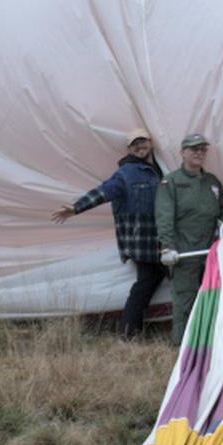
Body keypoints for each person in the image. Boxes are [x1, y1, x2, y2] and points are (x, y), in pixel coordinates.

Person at [51, 128, 166, 339]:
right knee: (146, 283)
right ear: (130, 149)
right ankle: (128, 331)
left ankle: (132, 329)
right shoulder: (126, 174)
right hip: (141, 241)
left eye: (143, 142)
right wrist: (76, 208)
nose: (140, 146)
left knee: (152, 281)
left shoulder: (159, 170)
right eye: (135, 144)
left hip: (162, 239)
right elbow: (103, 192)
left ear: (151, 143)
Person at [156, 133, 223, 344]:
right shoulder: (171, 182)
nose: (199, 153)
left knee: (211, 298)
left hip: (210, 252)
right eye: (193, 149)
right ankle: (181, 347)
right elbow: (164, 217)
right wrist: (167, 247)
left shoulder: (211, 181)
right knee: (185, 301)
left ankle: (208, 345)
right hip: (184, 253)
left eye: (202, 149)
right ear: (182, 153)